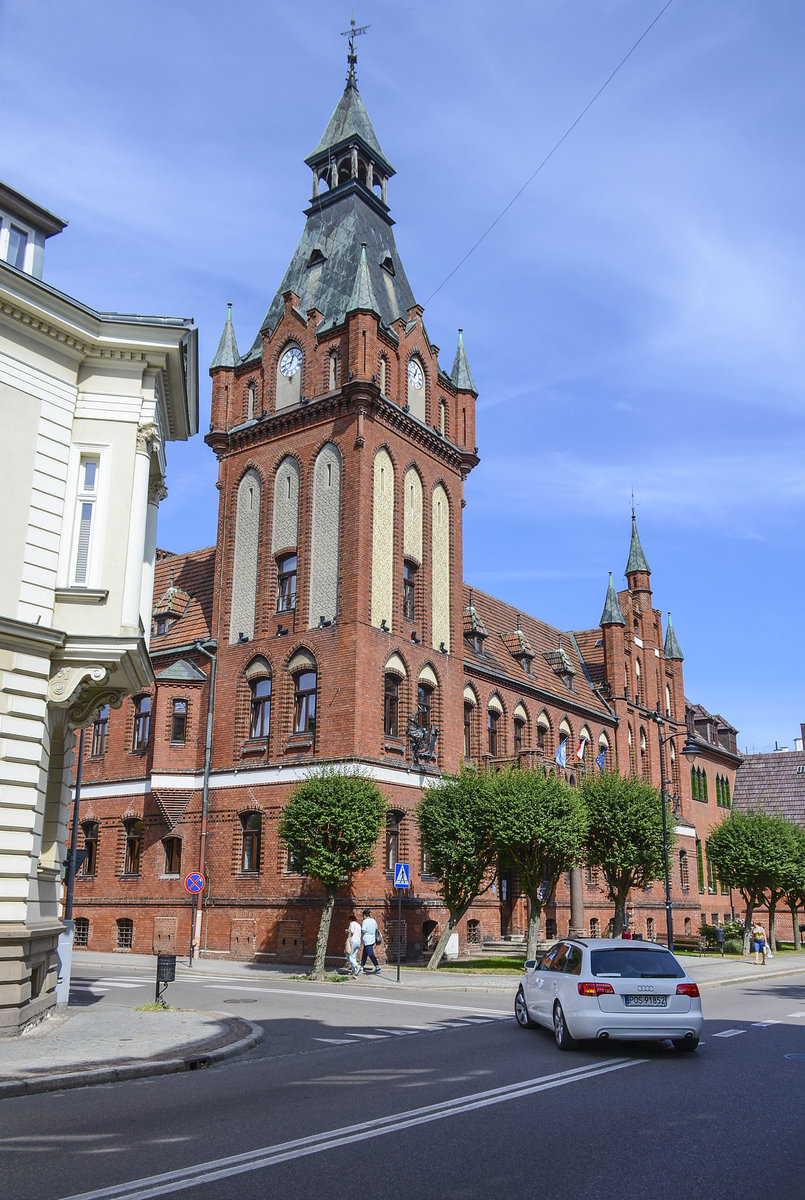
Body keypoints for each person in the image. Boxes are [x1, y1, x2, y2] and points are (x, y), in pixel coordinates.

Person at [360, 908, 381, 974]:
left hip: (367, 939)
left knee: (370, 953)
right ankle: (361, 966)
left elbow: (363, 930)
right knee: (364, 953)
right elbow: (376, 928)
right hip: (372, 938)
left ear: (364, 915)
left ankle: (377, 966)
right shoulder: (373, 920)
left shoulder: (365, 921)